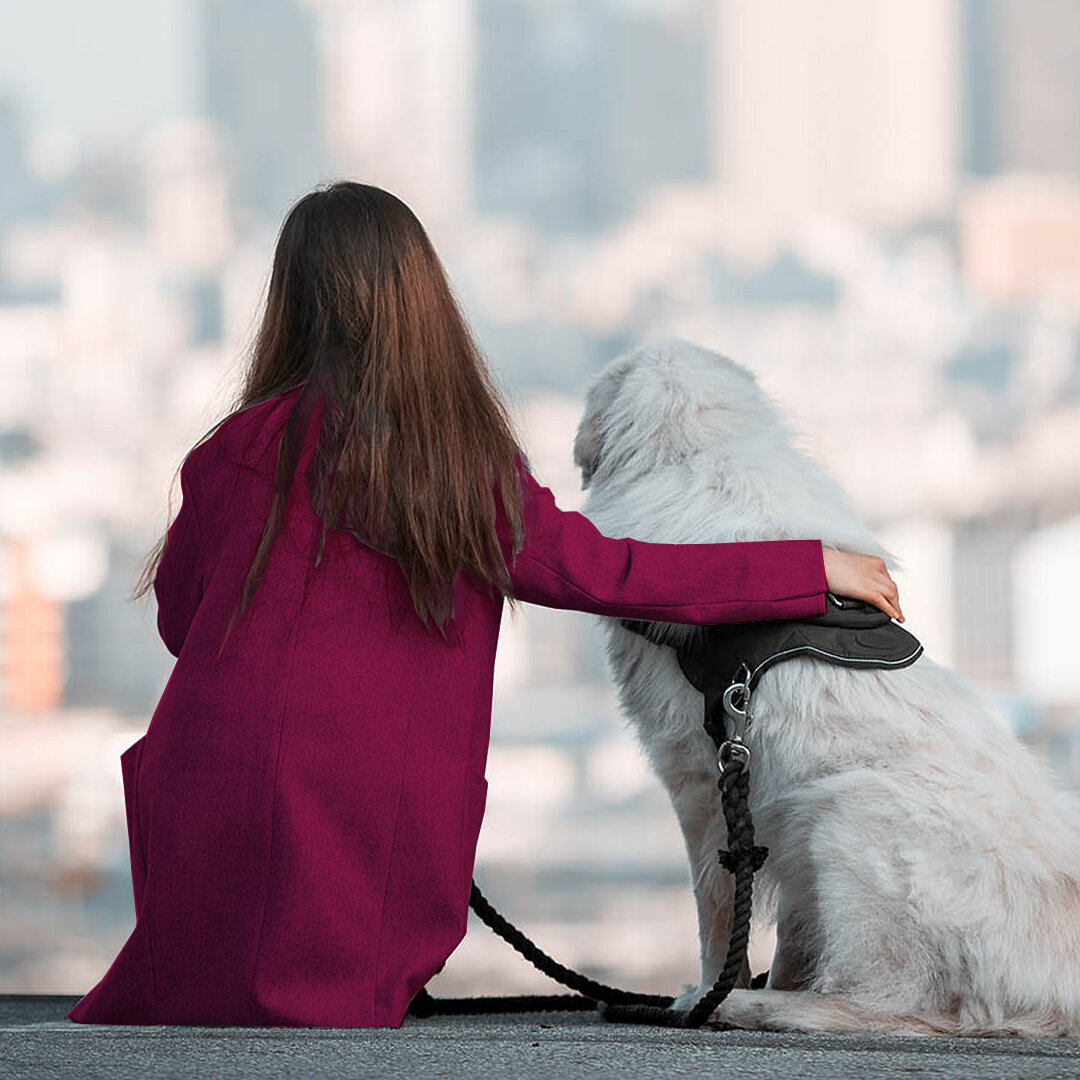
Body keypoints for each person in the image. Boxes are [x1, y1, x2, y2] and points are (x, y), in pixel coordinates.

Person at [66, 182, 902, 1029]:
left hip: (207, 798)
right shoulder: (455, 465)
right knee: (325, 1005)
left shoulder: (230, 453)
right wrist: (809, 567)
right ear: (423, 300)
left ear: (290, 301)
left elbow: (181, 624)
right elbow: (609, 575)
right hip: (357, 818)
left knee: (212, 998)